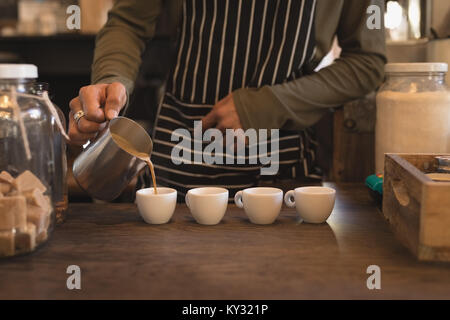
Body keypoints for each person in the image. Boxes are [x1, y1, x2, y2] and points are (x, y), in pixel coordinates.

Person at [68, 0, 386, 199]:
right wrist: (112, 77)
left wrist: (268, 105)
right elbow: (128, 22)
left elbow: (367, 62)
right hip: (181, 151)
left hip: (281, 163)